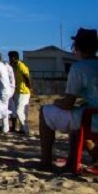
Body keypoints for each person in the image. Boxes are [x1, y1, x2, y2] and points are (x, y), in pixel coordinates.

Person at [39, 28, 98, 171]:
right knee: (78, 117)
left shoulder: (79, 68)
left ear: (77, 47)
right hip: (93, 113)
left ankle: (46, 161)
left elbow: (68, 103)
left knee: (45, 112)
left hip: (92, 118)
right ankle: (77, 159)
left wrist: (57, 102)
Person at [9, 50, 31, 135]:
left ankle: (25, 129)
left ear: (14, 58)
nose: (9, 60)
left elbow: (27, 77)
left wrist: (30, 88)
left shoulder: (21, 66)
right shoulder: (15, 66)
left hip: (24, 92)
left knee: (19, 111)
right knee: (23, 112)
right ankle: (22, 129)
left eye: (10, 58)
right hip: (18, 91)